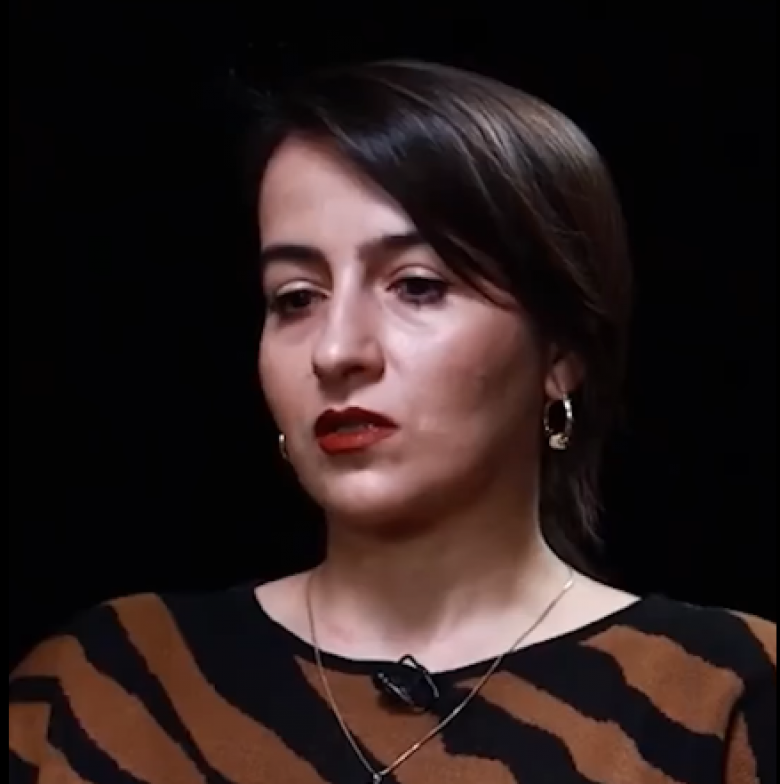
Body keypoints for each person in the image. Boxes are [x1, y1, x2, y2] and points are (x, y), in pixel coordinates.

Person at [9, 60, 775, 784]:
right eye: (296, 297)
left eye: (416, 285)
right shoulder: (105, 682)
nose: (336, 350)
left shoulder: (727, 692)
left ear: (561, 351)